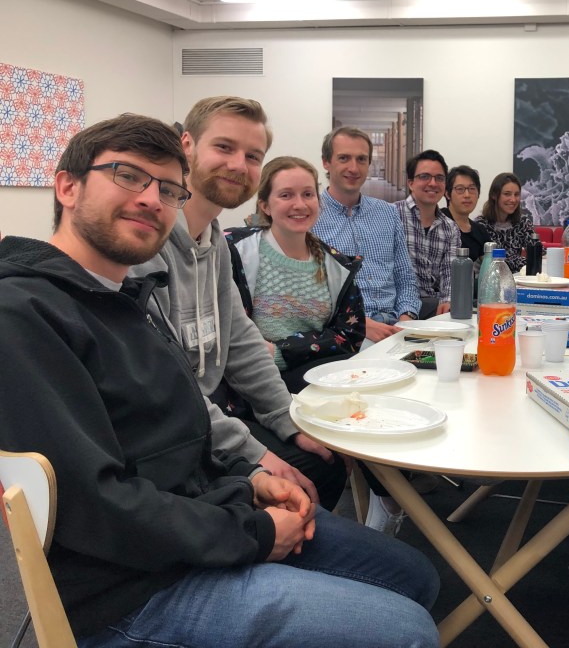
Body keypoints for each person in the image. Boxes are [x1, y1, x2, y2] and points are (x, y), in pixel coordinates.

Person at [0, 114, 440, 647]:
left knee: (417, 577)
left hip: (205, 517)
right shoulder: (24, 315)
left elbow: (184, 426)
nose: (151, 200)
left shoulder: (128, 299)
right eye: (127, 176)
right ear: (67, 187)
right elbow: (94, 506)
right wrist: (254, 531)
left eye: (168, 189)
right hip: (133, 590)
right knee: (408, 631)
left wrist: (249, 478)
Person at [130, 97, 341, 508]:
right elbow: (165, 386)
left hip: (202, 419)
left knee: (324, 461)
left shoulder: (215, 242)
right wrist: (256, 455)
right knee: (300, 485)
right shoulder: (146, 244)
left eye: (252, 156)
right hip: (164, 438)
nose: (238, 165)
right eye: (224, 147)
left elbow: (240, 338)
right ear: (186, 145)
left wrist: (286, 417)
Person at [224, 156, 365, 392]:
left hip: (312, 372)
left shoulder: (338, 266)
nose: (300, 205)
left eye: (308, 194)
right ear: (265, 205)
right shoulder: (234, 251)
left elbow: (350, 336)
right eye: (286, 195)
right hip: (248, 379)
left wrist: (282, 352)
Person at [312, 126, 420, 342]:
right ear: (326, 162)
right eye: (344, 158)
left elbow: (405, 277)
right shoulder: (310, 217)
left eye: (361, 159)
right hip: (345, 332)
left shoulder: (388, 213)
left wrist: (406, 319)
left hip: (396, 326)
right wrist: (359, 324)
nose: (354, 168)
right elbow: (309, 295)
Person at [396, 149, 460, 319]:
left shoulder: (450, 228)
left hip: (433, 307)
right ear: (411, 183)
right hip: (396, 306)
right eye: (425, 176)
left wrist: (448, 301)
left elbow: (450, 273)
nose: (433, 183)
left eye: (439, 178)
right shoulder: (392, 215)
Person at [476, 171, 534, 274]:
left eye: (516, 194)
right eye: (507, 194)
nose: (513, 199)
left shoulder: (523, 222)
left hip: (518, 279)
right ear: (494, 195)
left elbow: (537, 254)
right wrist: (524, 262)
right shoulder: (481, 225)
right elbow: (495, 263)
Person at [442, 164, 490, 264]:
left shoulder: (480, 231)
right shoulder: (438, 223)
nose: (467, 195)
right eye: (460, 189)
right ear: (447, 194)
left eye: (472, 189)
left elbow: (490, 266)